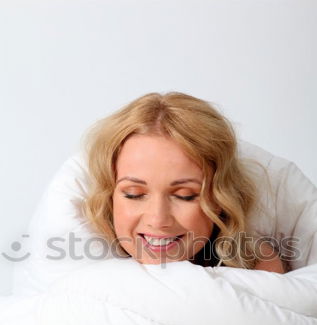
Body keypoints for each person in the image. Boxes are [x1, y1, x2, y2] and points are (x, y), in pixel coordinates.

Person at [83, 92, 286, 273]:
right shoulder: (87, 269)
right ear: (110, 197)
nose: (158, 219)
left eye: (184, 196)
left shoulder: (257, 267)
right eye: (134, 194)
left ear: (219, 199)